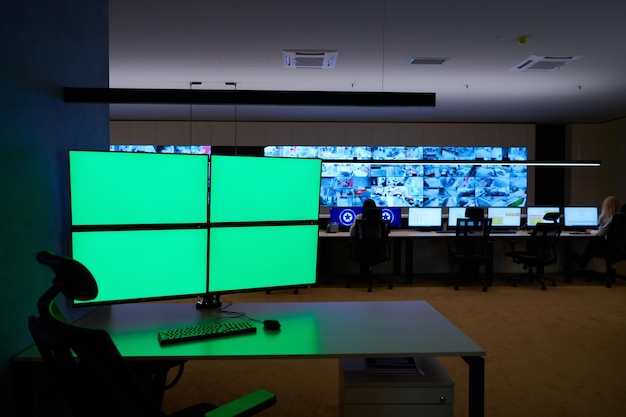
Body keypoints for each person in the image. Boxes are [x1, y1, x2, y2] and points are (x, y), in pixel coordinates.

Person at [575, 195, 622, 269]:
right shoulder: (619, 218)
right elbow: (608, 230)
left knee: (593, 243)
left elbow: (600, 233)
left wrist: (591, 231)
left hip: (610, 248)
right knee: (593, 243)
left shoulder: (609, 218)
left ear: (607, 207)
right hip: (620, 247)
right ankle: (582, 261)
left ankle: (582, 262)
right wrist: (601, 228)